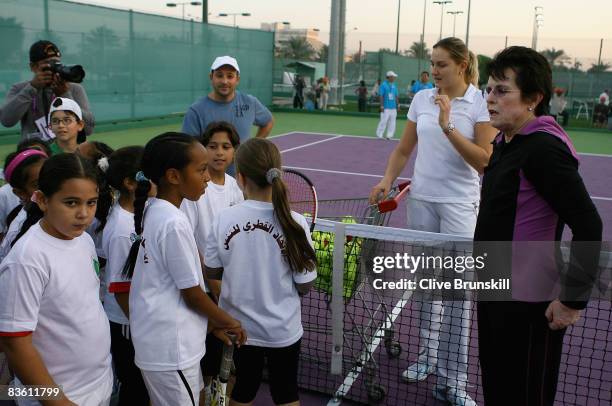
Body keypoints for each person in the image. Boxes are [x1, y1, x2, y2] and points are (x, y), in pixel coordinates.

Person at [369, 37, 497, 406]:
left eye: (441, 64)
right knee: (427, 286)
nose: (434, 71)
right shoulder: (422, 98)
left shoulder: (479, 103)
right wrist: (386, 179)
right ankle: (427, 355)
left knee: (457, 294)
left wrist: (447, 125)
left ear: (461, 65)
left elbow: (484, 161)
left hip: (459, 207)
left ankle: (454, 379)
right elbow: (403, 149)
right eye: (432, 64)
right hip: (422, 203)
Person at [476, 46, 602, 406]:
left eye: (502, 90)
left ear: (533, 98)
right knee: (497, 383)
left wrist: (572, 301)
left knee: (525, 393)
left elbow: (589, 225)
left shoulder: (544, 149)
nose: (490, 99)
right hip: (496, 288)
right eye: (489, 89)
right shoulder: (504, 142)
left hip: (528, 301)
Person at [122, 132, 246, 405]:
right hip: (171, 349)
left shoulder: (155, 210)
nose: (206, 177)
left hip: (168, 346)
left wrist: (213, 324)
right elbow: (192, 294)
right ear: (174, 176)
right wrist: (229, 322)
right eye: (200, 169)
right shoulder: (173, 223)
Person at [204, 138, 317, 406]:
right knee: (286, 392)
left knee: (242, 389)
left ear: (240, 177)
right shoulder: (296, 223)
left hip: (239, 330)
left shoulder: (223, 219)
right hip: (283, 330)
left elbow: (212, 271)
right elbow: (306, 284)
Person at [0, 153, 113, 405]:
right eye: (71, 203)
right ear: (41, 199)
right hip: (59, 396)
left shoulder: (83, 239)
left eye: (91, 202)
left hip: (98, 383)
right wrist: (58, 401)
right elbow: (15, 343)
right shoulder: (27, 259)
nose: (84, 214)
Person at [179, 121, 244, 404]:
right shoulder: (195, 189)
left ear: (234, 152)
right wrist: (212, 281)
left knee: (229, 364)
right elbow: (191, 240)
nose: (219, 153)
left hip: (228, 287)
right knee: (206, 362)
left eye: (226, 147)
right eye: (213, 146)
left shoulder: (234, 189)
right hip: (203, 288)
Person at [101, 146, 150, 405]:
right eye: (150, 173)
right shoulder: (122, 228)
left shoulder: (138, 212)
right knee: (135, 386)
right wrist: (143, 328)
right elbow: (121, 289)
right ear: (131, 183)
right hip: (126, 323)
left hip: (133, 320)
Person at [0, 40, 94, 141]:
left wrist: (65, 95)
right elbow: (7, 121)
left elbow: (88, 129)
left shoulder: (74, 89)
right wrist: (32, 88)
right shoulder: (20, 88)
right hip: (34, 152)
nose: (55, 68)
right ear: (33, 67)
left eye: (57, 63)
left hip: (66, 152)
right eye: (48, 64)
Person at [182, 56, 274, 143]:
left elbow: (268, 121)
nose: (224, 81)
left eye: (230, 76)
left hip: (242, 160)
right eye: (219, 75)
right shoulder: (196, 110)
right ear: (211, 77)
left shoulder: (250, 103)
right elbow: (189, 146)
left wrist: (252, 146)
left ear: (237, 79)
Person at [0, 148, 48, 262]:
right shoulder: (25, 231)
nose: (50, 184)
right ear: (21, 193)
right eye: (37, 184)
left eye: (51, 176)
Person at [375, 71, 400, 140]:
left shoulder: (394, 85)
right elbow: (381, 96)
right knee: (383, 121)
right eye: (393, 77)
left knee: (392, 122)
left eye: (394, 77)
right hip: (385, 107)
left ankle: (389, 135)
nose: (394, 78)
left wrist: (398, 105)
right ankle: (379, 134)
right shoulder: (383, 85)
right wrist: (381, 106)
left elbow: (396, 96)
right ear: (389, 77)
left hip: (393, 107)